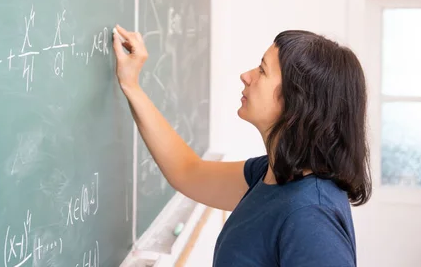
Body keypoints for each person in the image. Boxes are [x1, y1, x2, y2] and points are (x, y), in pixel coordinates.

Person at [111, 25, 371, 267]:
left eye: (262, 70)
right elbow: (187, 172)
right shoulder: (273, 174)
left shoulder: (311, 217)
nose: (246, 76)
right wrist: (131, 86)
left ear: (296, 101)